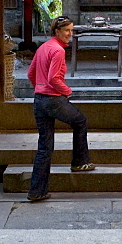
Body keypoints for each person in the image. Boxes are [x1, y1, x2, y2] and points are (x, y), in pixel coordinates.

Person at [26, 16, 95, 202]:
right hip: (53, 100)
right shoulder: (57, 51)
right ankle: (80, 162)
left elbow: (30, 73)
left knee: (44, 147)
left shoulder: (43, 47)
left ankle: (36, 191)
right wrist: (68, 91)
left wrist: (38, 88)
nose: (70, 34)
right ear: (57, 31)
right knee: (80, 121)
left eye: (72, 30)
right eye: (67, 30)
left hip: (39, 100)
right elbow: (54, 79)